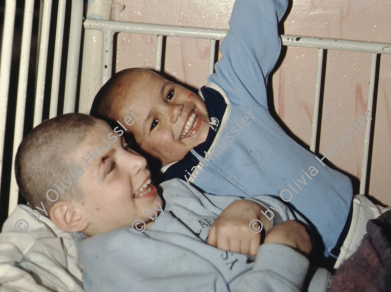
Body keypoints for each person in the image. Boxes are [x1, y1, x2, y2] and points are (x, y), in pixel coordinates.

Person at [90, 0, 353, 264]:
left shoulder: (229, 96)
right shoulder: (173, 196)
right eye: (154, 124)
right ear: (142, 154)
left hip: (359, 223)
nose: (175, 112)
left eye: (168, 94)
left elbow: (248, 33)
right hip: (307, 274)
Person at [14, 112, 331, 292]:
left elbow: (287, 220)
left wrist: (257, 211)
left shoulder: (175, 193)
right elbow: (289, 243)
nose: (138, 161)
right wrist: (284, 251)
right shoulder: (111, 261)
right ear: (71, 215)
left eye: (126, 147)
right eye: (110, 166)